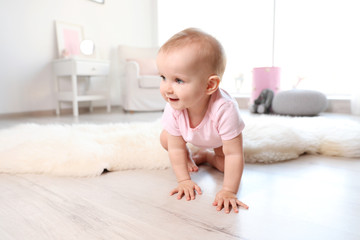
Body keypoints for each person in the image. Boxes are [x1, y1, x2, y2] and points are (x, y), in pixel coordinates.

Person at [157, 28, 249, 214]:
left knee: (226, 166)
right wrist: (184, 180)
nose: (167, 88)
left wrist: (229, 191)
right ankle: (191, 156)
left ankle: (207, 156)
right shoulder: (174, 106)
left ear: (209, 85)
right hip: (188, 136)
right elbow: (175, 147)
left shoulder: (225, 109)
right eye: (163, 77)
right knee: (166, 139)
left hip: (218, 140)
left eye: (178, 80)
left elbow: (234, 155)